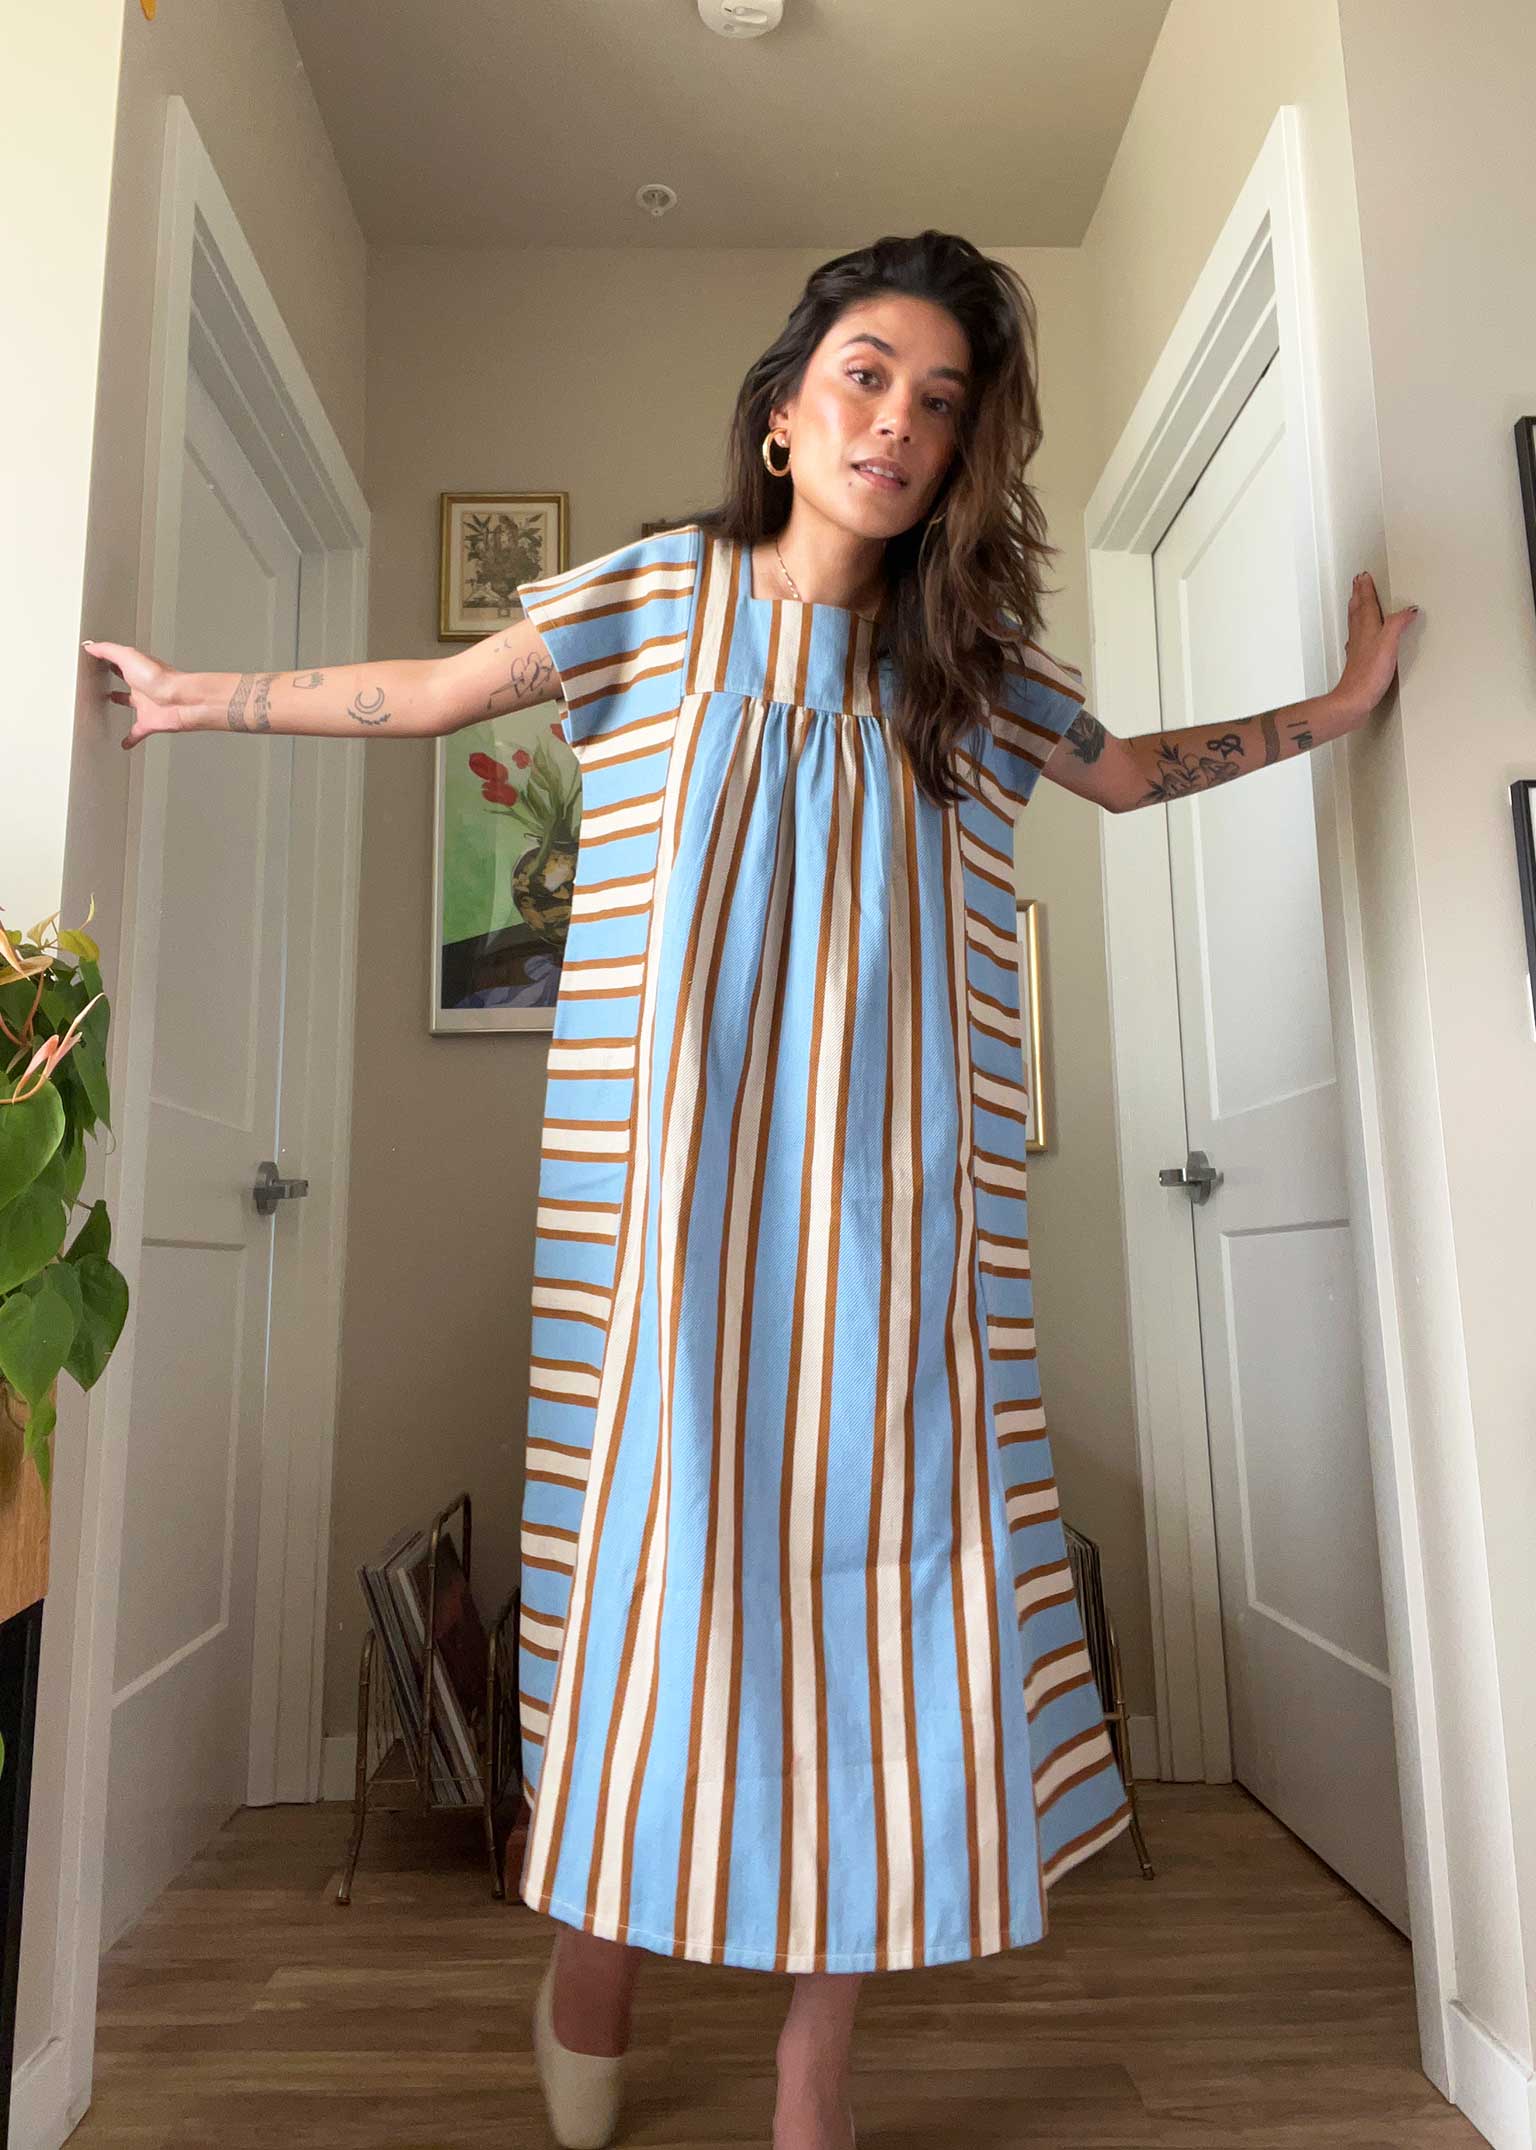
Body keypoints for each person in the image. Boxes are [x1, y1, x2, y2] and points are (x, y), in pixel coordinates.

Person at [87, 229, 1417, 2150]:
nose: (898, 421)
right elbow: (441, 694)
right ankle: (596, 1952)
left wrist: (1342, 707)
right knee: (657, 1595)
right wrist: (195, 695)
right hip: (675, 1227)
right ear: (787, 411)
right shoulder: (657, 598)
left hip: (895, 1231)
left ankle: (815, 2061)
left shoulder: (969, 677)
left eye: (940, 401)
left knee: (890, 1614)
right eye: (867, 375)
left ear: (959, 455)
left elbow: (1129, 774)